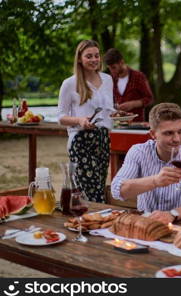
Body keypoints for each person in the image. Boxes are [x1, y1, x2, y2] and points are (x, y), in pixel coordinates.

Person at [111, 103, 181, 224]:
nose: (177, 139)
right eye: (169, 133)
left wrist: (172, 214)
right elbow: (117, 190)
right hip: (146, 225)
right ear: (153, 134)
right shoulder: (139, 152)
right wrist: (155, 181)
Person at [57, 40, 114, 203]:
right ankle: (87, 224)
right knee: (88, 193)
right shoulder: (69, 84)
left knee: (99, 187)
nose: (94, 59)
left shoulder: (108, 79)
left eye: (96, 55)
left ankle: (93, 224)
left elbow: (108, 109)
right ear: (80, 59)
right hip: (81, 141)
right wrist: (79, 120)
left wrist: (119, 113)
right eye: (89, 56)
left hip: (103, 139)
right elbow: (60, 117)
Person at [103, 48, 153, 122]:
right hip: (116, 125)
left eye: (113, 67)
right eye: (109, 68)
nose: (111, 71)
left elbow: (149, 98)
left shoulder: (138, 76)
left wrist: (133, 104)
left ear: (121, 62)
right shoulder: (111, 79)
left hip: (136, 124)